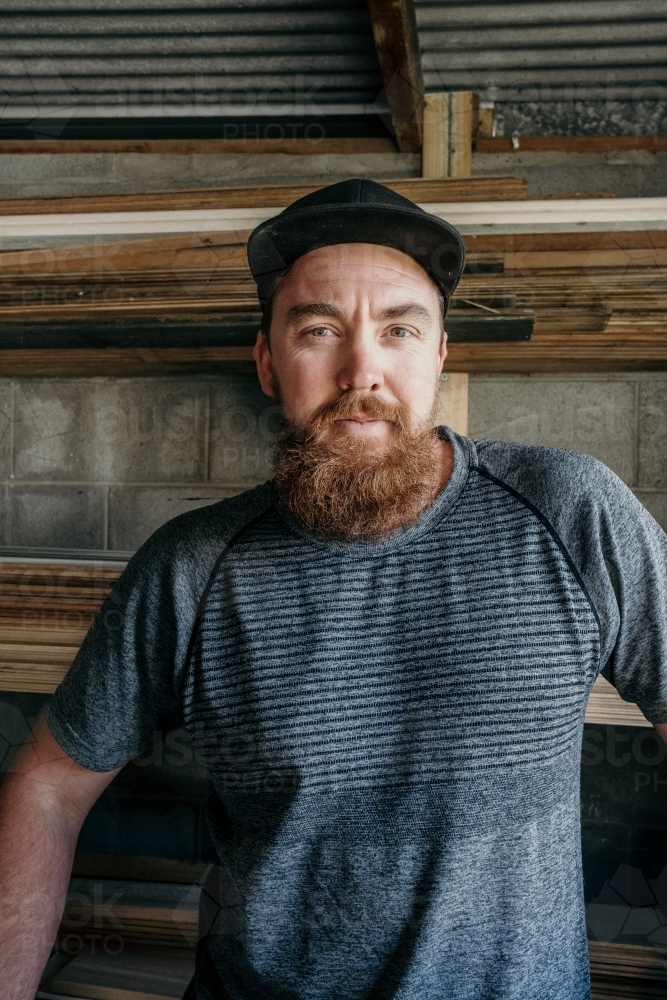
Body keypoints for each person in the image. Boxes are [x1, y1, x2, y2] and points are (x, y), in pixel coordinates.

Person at [1, 179, 666, 1000]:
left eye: (398, 330)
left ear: (438, 354)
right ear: (267, 361)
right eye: (318, 330)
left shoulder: (570, 512)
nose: (362, 372)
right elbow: (48, 785)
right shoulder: (191, 567)